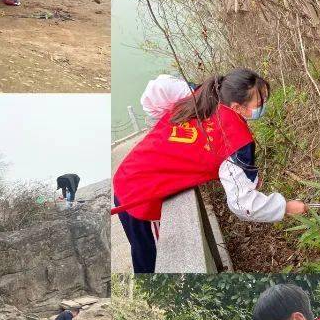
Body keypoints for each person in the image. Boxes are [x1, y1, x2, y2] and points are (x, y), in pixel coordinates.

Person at [111, 70, 307, 274]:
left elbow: (157, 88)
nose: (264, 105)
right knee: (152, 265)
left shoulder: (205, 92)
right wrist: (284, 207)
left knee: (142, 254)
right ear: (237, 107)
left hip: (128, 174)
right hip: (140, 197)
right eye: (260, 103)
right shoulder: (236, 140)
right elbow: (242, 204)